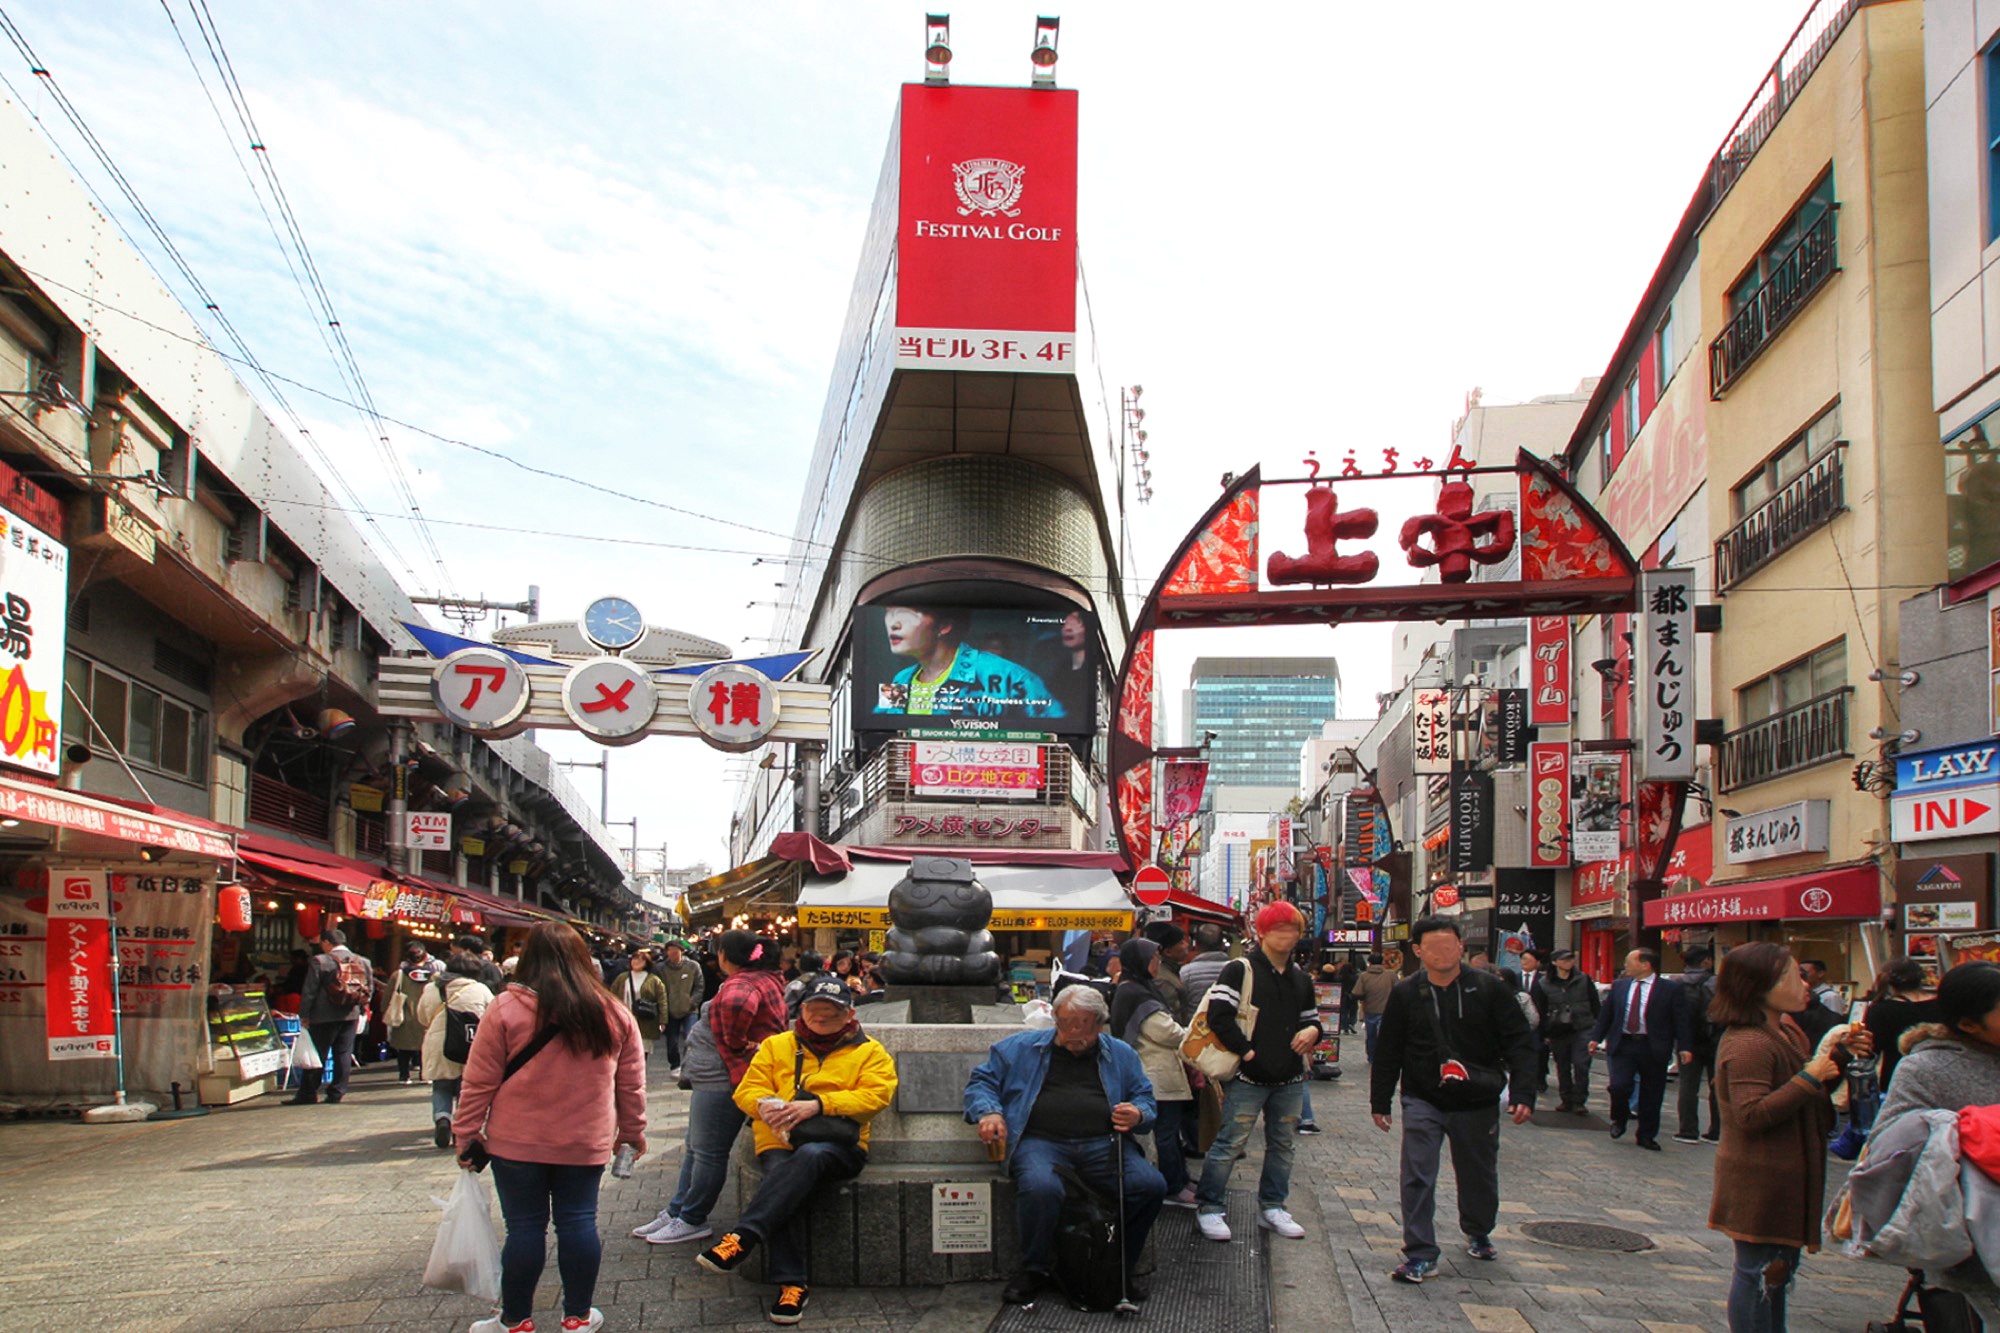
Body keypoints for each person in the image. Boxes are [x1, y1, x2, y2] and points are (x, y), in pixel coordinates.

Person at [454, 922, 647, 1333]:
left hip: (516, 1142)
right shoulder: (613, 1012)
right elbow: (630, 1083)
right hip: (584, 1141)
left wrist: (466, 1133)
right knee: (578, 1223)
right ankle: (577, 1318)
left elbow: (479, 1080)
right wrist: (631, 1132)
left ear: (529, 959)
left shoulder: (506, 1008)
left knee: (524, 1229)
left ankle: (516, 1321)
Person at [695, 976, 898, 1326]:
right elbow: (746, 1090)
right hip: (779, 1139)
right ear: (801, 1010)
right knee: (781, 1179)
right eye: (813, 1011)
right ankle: (792, 1283)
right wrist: (765, 1107)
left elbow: (876, 1098)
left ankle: (743, 1237)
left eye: (829, 1014)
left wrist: (820, 1105)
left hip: (839, 1145)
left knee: (810, 1158)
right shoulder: (776, 1045)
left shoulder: (870, 1052)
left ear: (849, 1015)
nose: (819, 1020)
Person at [1707, 941, 1871, 1333]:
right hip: (1760, 1177)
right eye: (1793, 976)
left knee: (1776, 1272)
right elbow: (1751, 1114)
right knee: (1759, 1272)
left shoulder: (1785, 1031)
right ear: (1760, 985)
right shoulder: (1749, 1041)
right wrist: (1812, 1075)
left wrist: (1838, 1060)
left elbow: (1803, 1091)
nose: (1805, 984)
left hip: (1788, 1173)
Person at [965, 983, 1164, 1306]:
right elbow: (982, 1081)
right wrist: (989, 1112)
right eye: (1064, 1023)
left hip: (1103, 1143)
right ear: (1054, 1019)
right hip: (1041, 1142)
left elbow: (1144, 1096)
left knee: (1150, 1186)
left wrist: (1139, 1114)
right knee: (1041, 1188)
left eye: (1083, 1025)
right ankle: (1036, 1268)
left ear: (1100, 1024)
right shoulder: (1020, 1048)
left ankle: (1116, 1265)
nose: (1072, 1033)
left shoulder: (1121, 1054)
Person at [1370, 916, 1536, 1283]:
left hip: (1476, 1099)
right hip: (1422, 1097)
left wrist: (1523, 1092)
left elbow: (1520, 1042)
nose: (1444, 953)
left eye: (1450, 945)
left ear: (1462, 947)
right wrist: (1380, 1101)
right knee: (1417, 1173)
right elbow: (1389, 1050)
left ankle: (1478, 1229)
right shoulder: (1406, 992)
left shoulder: (1490, 990)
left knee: (1478, 1173)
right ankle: (1420, 1252)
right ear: (1417, 951)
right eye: (1434, 947)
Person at [635, 930, 788, 1246]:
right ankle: (678, 1209)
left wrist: (736, 1043)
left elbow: (735, 1008)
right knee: (696, 1146)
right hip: (725, 1076)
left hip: (725, 1078)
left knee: (708, 1152)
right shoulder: (763, 977)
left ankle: (693, 1218)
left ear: (725, 956)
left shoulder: (742, 984)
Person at [1192, 902, 1322, 1244]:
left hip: (1290, 1076)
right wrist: (1248, 1052)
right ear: (1262, 932)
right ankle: (1210, 1206)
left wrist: (1313, 1033)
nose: (1287, 936)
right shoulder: (1240, 969)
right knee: (1230, 1142)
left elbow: (1311, 1018)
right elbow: (1219, 1016)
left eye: (1293, 929)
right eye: (1279, 928)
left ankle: (1273, 1205)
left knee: (1283, 1144)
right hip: (1249, 1077)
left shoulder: (1301, 978)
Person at [1111, 937, 1196, 1207]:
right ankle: (1174, 1185)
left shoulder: (1138, 988)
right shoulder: (1136, 993)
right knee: (1166, 1133)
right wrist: (1191, 1033)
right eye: (1153, 959)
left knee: (1169, 1131)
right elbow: (1167, 1032)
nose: (1157, 963)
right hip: (1155, 1076)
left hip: (1158, 1073)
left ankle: (1180, 1179)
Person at [870, 604, 1065, 721]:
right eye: (890, 613)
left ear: (944, 626)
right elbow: (879, 731)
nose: (893, 624)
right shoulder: (901, 679)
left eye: (907, 615)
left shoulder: (1010, 676)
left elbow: (1059, 730)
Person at [1589, 948, 1692, 1151]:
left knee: (1652, 1093)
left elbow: (1681, 1020)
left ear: (1645, 965)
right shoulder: (1619, 986)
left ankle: (1646, 1134)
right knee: (1619, 1085)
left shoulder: (1670, 989)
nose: (1626, 965)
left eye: (1630, 961)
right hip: (1624, 1044)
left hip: (1653, 1045)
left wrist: (1685, 1047)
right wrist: (1595, 1038)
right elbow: (1607, 1016)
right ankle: (1619, 1118)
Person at [290, 928, 373, 1106]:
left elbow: (310, 991)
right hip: (350, 1014)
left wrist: (304, 1014)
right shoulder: (362, 961)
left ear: (327, 943)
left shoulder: (320, 961)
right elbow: (369, 989)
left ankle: (308, 1093)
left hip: (322, 1016)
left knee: (317, 1054)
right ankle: (337, 1092)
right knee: (343, 1053)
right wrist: (361, 1009)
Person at [420, 953, 495, 1147]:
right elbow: (492, 1016)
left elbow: (422, 1016)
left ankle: (442, 1118)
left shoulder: (431, 988)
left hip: (439, 1043)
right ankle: (460, 1127)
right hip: (470, 1043)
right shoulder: (480, 989)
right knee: (465, 1087)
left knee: (441, 1086)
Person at [1863, 956, 1938, 1093]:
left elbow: (1870, 1051)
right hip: (1938, 1073)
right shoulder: (1941, 1005)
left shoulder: (1880, 1009)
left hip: (1898, 1075)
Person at [1674, 946, 1722, 1144]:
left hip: (1687, 1040)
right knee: (1717, 1085)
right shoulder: (1717, 983)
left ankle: (1688, 1130)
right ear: (1706, 962)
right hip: (1715, 1039)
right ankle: (1716, 1131)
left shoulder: (1676, 984)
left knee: (1687, 1085)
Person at [387, 942, 437, 1085]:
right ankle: (425, 1074)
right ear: (425, 956)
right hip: (426, 1015)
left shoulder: (399, 975)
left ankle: (404, 1075)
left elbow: (388, 996)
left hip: (404, 1015)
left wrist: (385, 1011)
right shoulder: (433, 975)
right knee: (425, 1046)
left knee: (403, 1048)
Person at [654, 940, 705, 1072]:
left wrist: (692, 1002)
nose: (672, 953)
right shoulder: (661, 968)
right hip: (670, 1009)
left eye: (675, 950)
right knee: (672, 1041)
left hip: (690, 1009)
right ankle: (675, 1064)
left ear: (681, 951)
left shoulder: (693, 966)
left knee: (690, 1037)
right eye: (670, 950)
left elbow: (699, 986)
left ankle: (688, 1065)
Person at [614, 949, 669, 1052]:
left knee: (642, 1050)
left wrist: (663, 1020)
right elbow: (612, 996)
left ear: (646, 963)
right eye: (634, 959)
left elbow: (662, 1001)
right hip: (624, 1018)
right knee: (623, 1049)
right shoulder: (622, 978)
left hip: (645, 1020)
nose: (636, 962)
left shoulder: (654, 980)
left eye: (640, 960)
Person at [1353, 951, 1400, 1062]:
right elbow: (1399, 990)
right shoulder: (1391, 975)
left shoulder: (1364, 976)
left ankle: (1372, 1056)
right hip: (1388, 1010)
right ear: (1382, 962)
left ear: (1369, 962)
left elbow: (1357, 992)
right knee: (1386, 1035)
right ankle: (1385, 1055)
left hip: (1370, 1009)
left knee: (1371, 1035)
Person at [1177, 923, 1230, 1022]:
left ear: (1197, 945)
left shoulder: (1186, 972)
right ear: (1223, 945)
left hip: (1195, 1027)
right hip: (1227, 1027)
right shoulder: (1236, 968)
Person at [1142, 921, 1187, 1019]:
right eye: (1181, 943)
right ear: (1168, 952)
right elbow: (1170, 1015)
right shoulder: (1162, 980)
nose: (1186, 945)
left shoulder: (1169, 972)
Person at [1335, 957, 1361, 1034]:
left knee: (1344, 1012)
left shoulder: (1339, 978)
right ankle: (1351, 1023)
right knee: (1353, 1011)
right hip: (1353, 995)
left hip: (1343, 995)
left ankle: (1345, 1027)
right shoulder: (1355, 977)